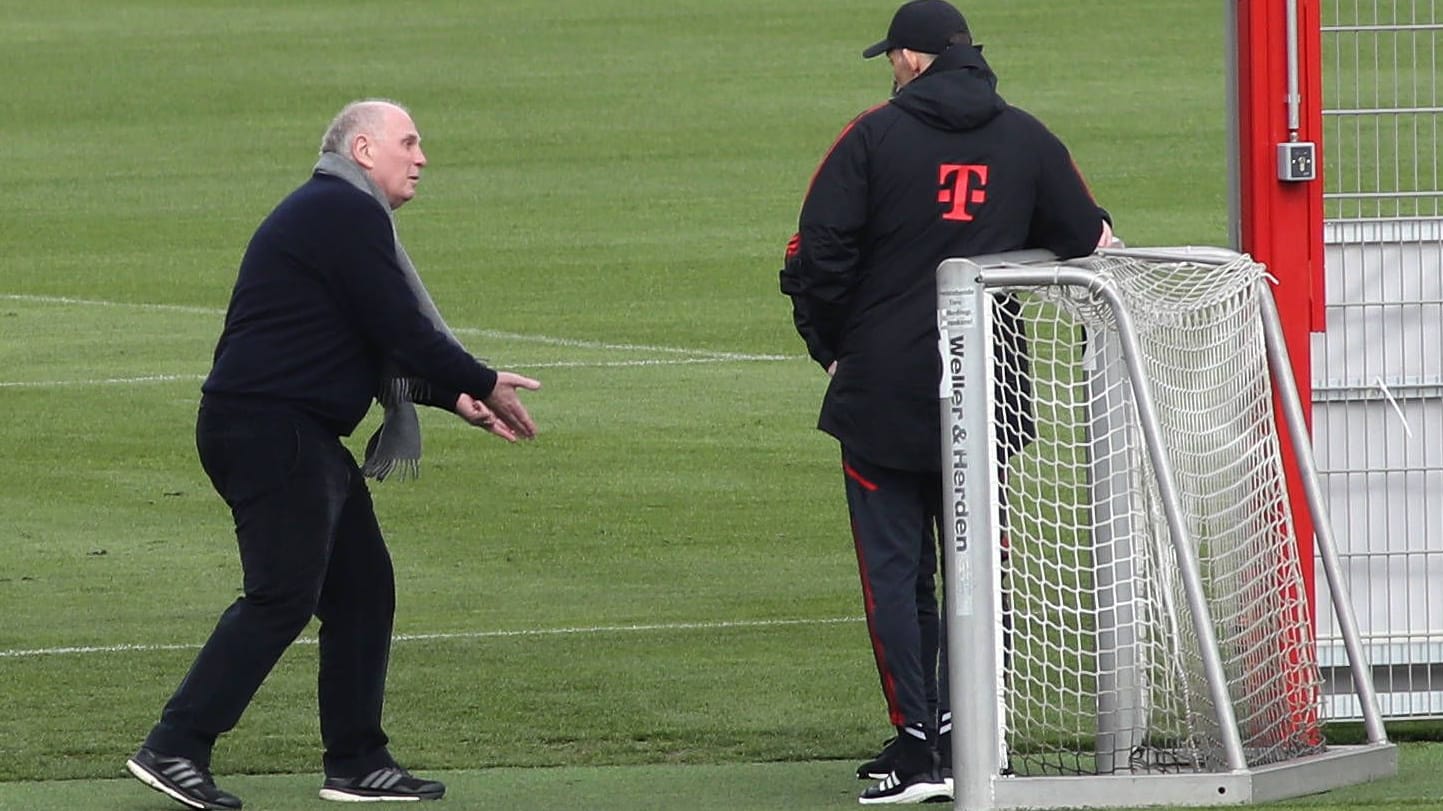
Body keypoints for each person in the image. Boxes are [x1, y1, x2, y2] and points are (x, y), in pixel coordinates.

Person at [125, 99, 540, 810]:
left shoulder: (339, 214)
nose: (422, 157)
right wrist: (480, 381)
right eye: (408, 142)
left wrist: (452, 398)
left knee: (362, 590)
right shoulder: (339, 212)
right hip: (270, 428)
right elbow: (402, 327)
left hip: (287, 429)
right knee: (282, 595)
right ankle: (174, 744)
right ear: (362, 150)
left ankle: (357, 759)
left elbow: (363, 340)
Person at [778, 1, 1112, 804]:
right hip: (988, 384)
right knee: (980, 566)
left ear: (915, 59)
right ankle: (970, 732)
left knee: (894, 571)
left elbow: (813, 253)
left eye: (891, 57)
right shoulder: (1027, 136)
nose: (889, 71)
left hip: (884, 387)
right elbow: (1089, 238)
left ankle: (918, 744)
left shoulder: (872, 136)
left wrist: (830, 347)